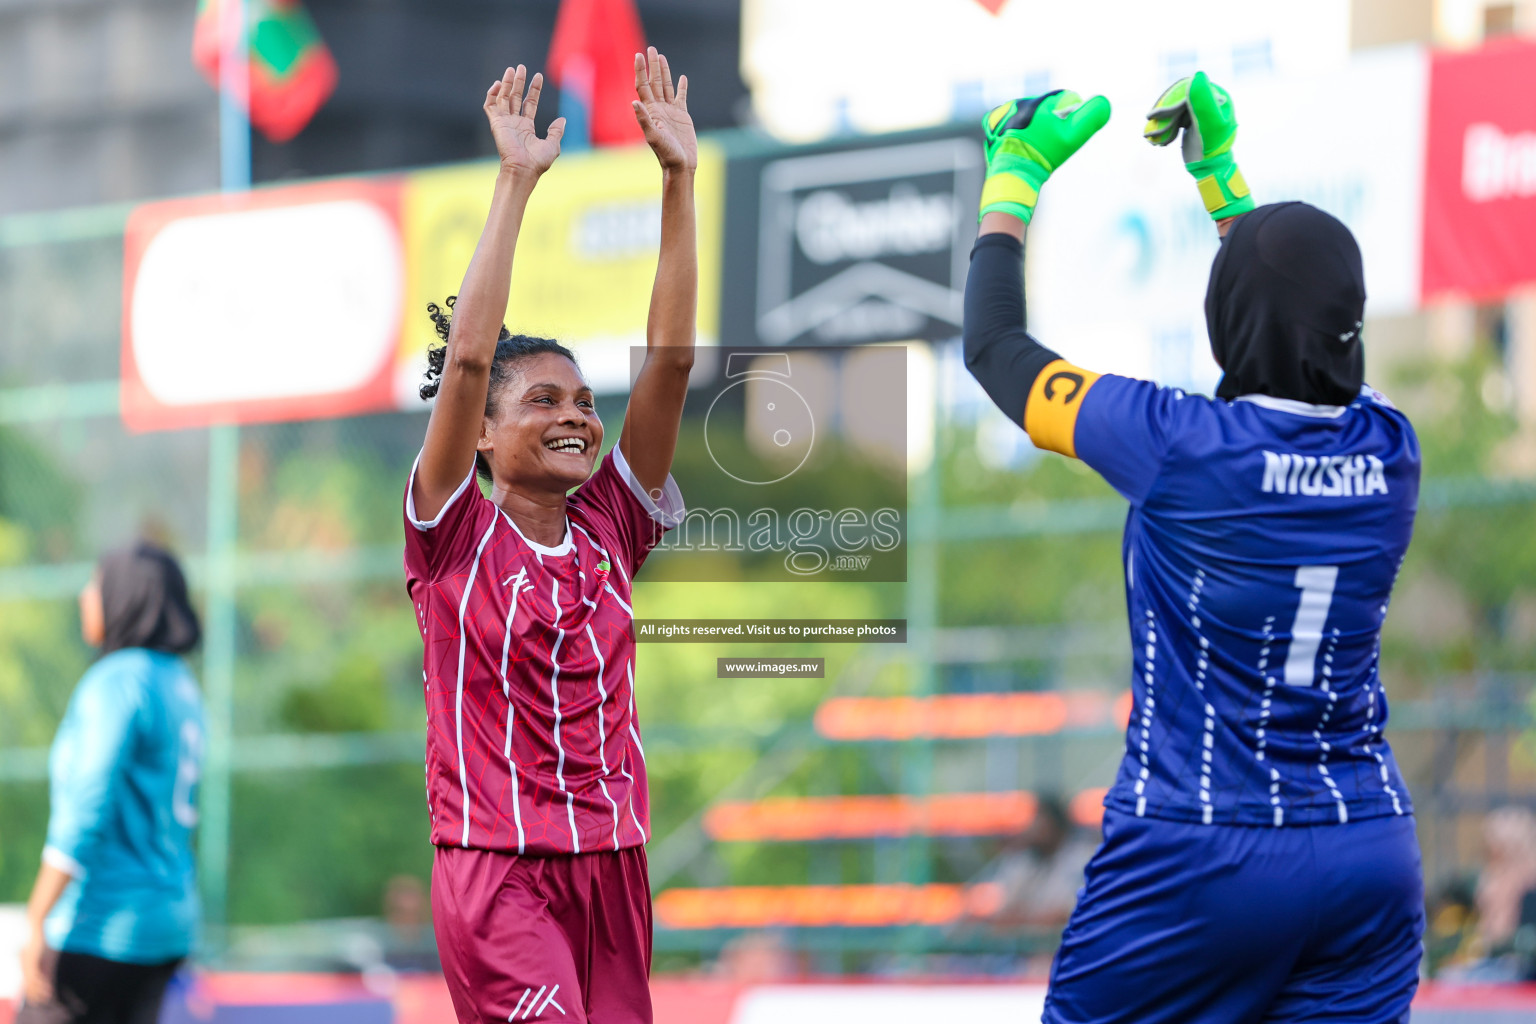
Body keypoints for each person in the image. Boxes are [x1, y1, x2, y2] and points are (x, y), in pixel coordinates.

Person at [963, 73, 1424, 1023]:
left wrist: (1012, 179)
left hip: (1196, 855)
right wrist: (1223, 182)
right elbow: (1288, 329)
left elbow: (995, 346)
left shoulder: (1176, 443)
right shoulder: (1392, 452)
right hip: (1367, 853)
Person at [403, 49, 695, 1023]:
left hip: (615, 872)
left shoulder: (612, 525)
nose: (575, 415)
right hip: (499, 879)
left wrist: (679, 180)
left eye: (583, 399)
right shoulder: (453, 535)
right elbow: (474, 354)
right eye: (543, 401)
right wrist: (516, 181)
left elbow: (672, 363)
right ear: (481, 431)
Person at [17, 542, 205, 1024]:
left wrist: (36, 918)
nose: (84, 596)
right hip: (168, 926)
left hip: (99, 928)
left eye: (95, 585)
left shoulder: (117, 681)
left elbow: (87, 805)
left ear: (125, 595)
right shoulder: (179, 683)